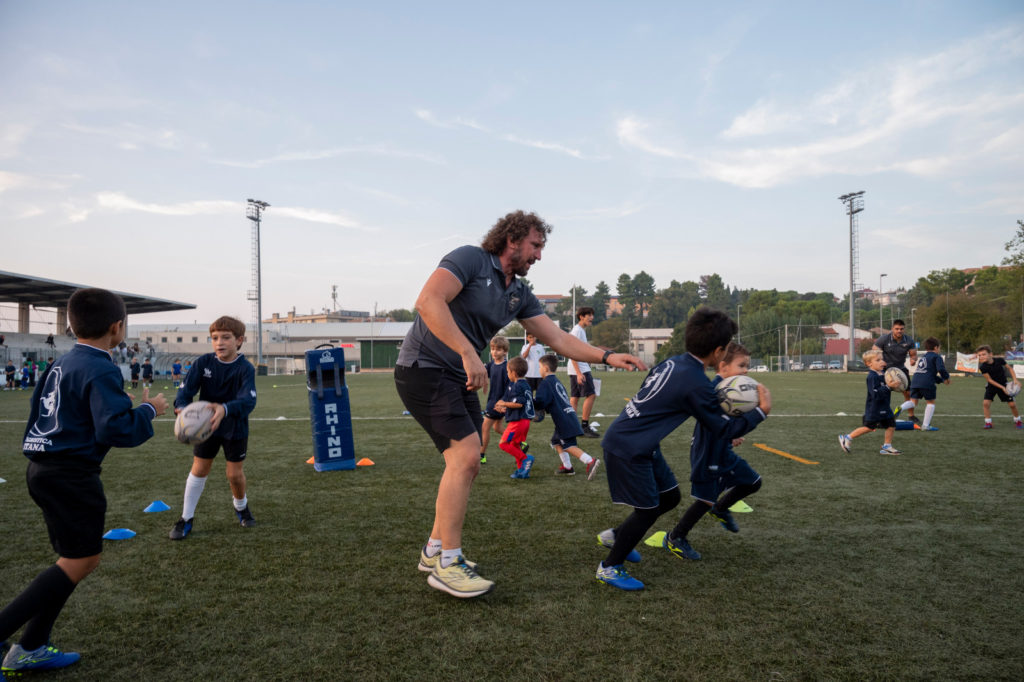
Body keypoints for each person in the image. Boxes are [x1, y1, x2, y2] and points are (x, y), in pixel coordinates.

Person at [395, 210, 645, 599]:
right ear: (512, 240)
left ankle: (434, 550)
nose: (539, 256)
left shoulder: (519, 292)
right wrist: (467, 351)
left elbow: (558, 339)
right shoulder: (470, 259)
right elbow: (428, 302)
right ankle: (448, 564)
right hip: (424, 368)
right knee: (464, 459)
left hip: (458, 375)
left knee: (470, 461)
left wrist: (608, 356)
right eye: (536, 246)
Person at [0, 288, 167, 676]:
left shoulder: (63, 362)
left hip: (42, 470)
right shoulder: (103, 366)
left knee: (71, 561)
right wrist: (147, 409)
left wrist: (116, 403)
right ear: (117, 328)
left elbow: (54, 410)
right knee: (81, 560)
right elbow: (116, 431)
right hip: (71, 476)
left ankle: (32, 646)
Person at [594, 309, 770, 591]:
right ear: (718, 351)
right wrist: (761, 412)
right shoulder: (696, 381)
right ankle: (610, 567)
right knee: (648, 510)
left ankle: (618, 536)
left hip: (640, 440)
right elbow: (723, 430)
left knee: (670, 498)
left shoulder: (674, 362)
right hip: (629, 445)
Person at [663, 342, 764, 563]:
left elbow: (724, 419)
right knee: (704, 500)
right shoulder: (715, 390)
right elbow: (710, 419)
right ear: (723, 366)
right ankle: (676, 537)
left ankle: (720, 509)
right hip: (708, 451)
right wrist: (757, 414)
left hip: (722, 449)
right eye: (742, 365)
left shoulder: (729, 386)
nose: (746, 370)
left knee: (753, 482)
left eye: (747, 365)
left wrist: (730, 435)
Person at [169, 316, 258, 540]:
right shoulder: (204, 363)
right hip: (205, 427)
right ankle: (186, 518)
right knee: (199, 469)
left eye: (226, 337)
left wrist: (225, 409)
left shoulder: (245, 368)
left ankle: (241, 506)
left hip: (233, 426)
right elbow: (185, 390)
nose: (220, 342)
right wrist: (181, 407)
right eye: (215, 337)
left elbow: (249, 400)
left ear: (239, 340)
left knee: (234, 475)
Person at [533, 353, 600, 479]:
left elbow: (541, 401)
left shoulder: (545, 383)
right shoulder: (556, 381)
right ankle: (568, 467)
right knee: (556, 441)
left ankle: (590, 461)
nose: (539, 370)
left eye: (540, 367)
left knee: (568, 446)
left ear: (546, 369)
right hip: (569, 416)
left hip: (564, 420)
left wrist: (531, 402)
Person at [838, 349, 901, 455]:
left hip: (885, 405)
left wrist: (895, 385)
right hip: (875, 408)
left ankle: (887, 446)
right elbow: (875, 394)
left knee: (891, 424)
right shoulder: (872, 377)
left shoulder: (884, 374)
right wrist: (888, 386)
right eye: (878, 360)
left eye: (882, 359)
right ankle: (847, 437)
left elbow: (887, 386)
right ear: (869, 364)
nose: (882, 362)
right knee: (869, 427)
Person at [895, 337, 949, 431]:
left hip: (915, 381)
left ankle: (900, 407)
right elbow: (940, 369)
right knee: (931, 403)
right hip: (927, 383)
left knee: (913, 402)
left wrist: (940, 380)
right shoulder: (937, 357)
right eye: (939, 347)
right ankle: (925, 426)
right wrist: (946, 378)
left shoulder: (924, 357)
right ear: (936, 347)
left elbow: (927, 372)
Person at [496, 356, 536, 478]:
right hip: (524, 421)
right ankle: (522, 470)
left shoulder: (518, 385)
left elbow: (519, 403)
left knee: (503, 444)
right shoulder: (525, 384)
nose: (507, 374)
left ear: (513, 372)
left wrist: (503, 403)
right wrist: (505, 408)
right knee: (514, 445)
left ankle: (525, 458)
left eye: (508, 371)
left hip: (518, 422)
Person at [874, 320, 917, 423]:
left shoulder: (909, 340)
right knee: (883, 393)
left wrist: (913, 360)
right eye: (897, 329)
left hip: (900, 369)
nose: (899, 331)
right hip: (885, 370)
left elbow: (913, 354)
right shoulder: (884, 339)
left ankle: (911, 415)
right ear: (892, 329)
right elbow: (874, 350)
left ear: (904, 329)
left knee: (908, 393)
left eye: (901, 329)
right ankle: (881, 415)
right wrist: (879, 362)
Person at [568, 307, 600, 437]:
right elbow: (571, 351)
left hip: (577, 367)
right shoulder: (577, 331)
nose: (592, 317)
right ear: (581, 316)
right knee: (591, 395)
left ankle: (572, 427)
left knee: (574, 398)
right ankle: (584, 426)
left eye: (592, 315)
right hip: (579, 368)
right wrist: (579, 372)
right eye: (589, 315)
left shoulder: (581, 330)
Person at [479, 336, 511, 464]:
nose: (494, 352)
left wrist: (503, 401)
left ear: (505, 352)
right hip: (493, 400)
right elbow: (482, 372)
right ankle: (520, 442)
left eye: (498, 349)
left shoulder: (507, 367)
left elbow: (510, 386)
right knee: (498, 428)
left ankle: (481, 455)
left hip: (497, 403)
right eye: (492, 349)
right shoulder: (491, 364)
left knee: (484, 428)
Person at [976, 345, 1022, 429]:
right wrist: (1002, 388)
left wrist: (1015, 380)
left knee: (1012, 405)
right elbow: (989, 380)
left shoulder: (999, 360)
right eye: (979, 355)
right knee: (986, 404)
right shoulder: (983, 367)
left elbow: (1010, 369)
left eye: (983, 354)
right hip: (992, 386)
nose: (981, 356)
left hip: (1004, 384)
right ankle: (988, 422)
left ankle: (1018, 421)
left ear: (990, 354)